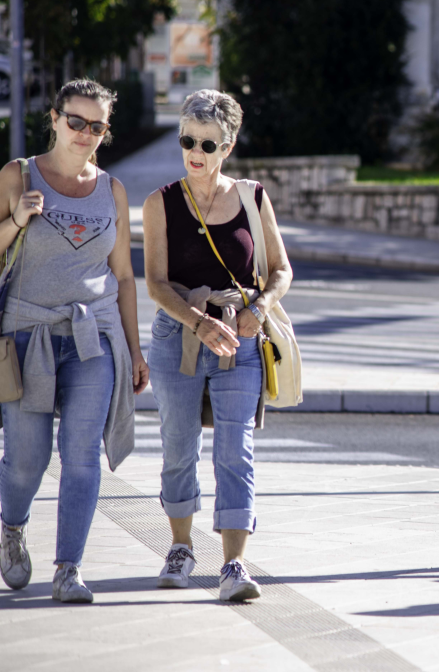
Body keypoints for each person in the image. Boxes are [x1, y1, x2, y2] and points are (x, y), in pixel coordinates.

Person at [143, 90, 293, 602]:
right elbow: (157, 283)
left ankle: (233, 564)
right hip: (177, 338)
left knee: (236, 451)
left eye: (207, 144)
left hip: (241, 337)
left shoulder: (252, 196)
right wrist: (197, 322)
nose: (195, 152)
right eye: (187, 140)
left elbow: (281, 270)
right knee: (179, 447)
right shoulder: (160, 201)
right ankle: (181, 548)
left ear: (226, 146)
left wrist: (259, 309)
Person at [0, 79, 146, 603]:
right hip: (26, 336)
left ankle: (69, 568)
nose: (85, 133)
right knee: (26, 459)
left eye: (97, 126)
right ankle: (11, 527)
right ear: (56, 118)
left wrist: (133, 348)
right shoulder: (18, 174)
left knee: (82, 453)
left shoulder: (113, 190)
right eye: (76, 121)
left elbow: (125, 276)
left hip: (94, 339)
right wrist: (17, 219)